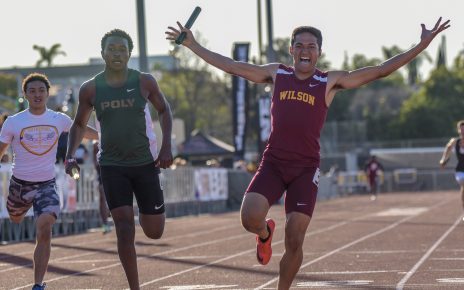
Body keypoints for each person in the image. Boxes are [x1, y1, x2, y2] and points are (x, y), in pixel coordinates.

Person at [166, 17, 450, 289]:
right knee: (249, 218)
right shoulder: (277, 74)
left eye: (311, 46)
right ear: (291, 50)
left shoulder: (329, 82)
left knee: (294, 239)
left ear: (319, 52)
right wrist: (193, 46)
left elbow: (378, 70)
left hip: (305, 169)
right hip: (274, 163)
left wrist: (421, 46)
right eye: (299, 45)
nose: (305, 50)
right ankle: (265, 233)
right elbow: (232, 66)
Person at [64, 29, 173, 290]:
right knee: (124, 228)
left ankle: (145, 209)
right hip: (112, 165)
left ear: (129, 54)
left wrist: (166, 146)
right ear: (102, 53)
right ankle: (134, 287)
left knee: (154, 231)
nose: (116, 53)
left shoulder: (144, 81)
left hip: (145, 164)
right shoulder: (90, 88)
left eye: (121, 49)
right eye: (111, 49)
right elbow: (79, 125)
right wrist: (69, 156)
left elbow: (164, 110)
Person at [0, 73, 98, 290]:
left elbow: (81, 129)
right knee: (15, 219)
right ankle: (18, 212)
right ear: (25, 94)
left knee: (44, 228)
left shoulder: (59, 119)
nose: (37, 95)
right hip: (20, 185)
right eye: (32, 91)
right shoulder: (14, 123)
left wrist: (105, 135)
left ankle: (38, 284)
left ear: (47, 93)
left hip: (46, 184)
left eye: (41, 91)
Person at [440, 120, 464, 211]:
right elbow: (448, 148)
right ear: (458, 130)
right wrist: (443, 159)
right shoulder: (455, 141)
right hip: (460, 172)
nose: (463, 131)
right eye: (461, 129)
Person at [92, 141, 111, 234]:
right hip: (102, 171)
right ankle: (105, 224)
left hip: (116, 169)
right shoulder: (95, 143)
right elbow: (94, 162)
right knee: (102, 197)